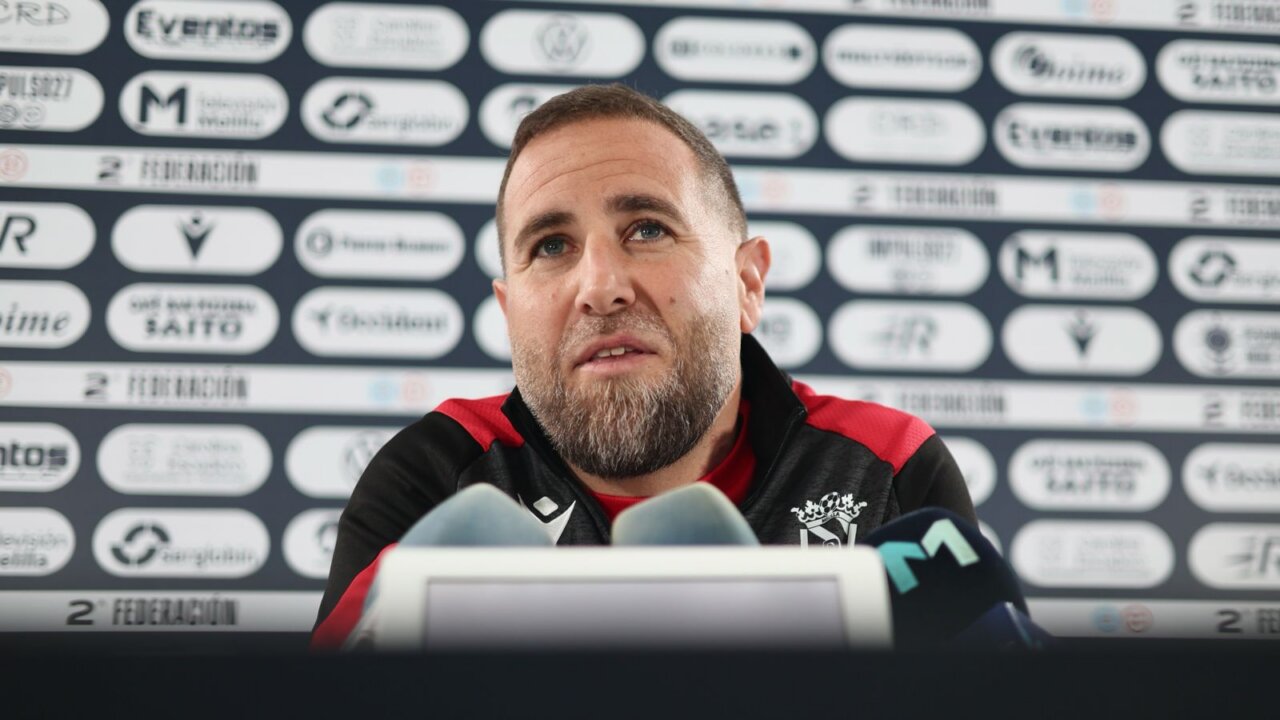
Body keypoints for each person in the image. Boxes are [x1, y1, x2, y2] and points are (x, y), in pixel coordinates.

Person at [312, 84, 976, 648]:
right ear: (510, 313)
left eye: (648, 229)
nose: (600, 287)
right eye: (551, 245)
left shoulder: (887, 465)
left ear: (747, 283)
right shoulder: (432, 475)